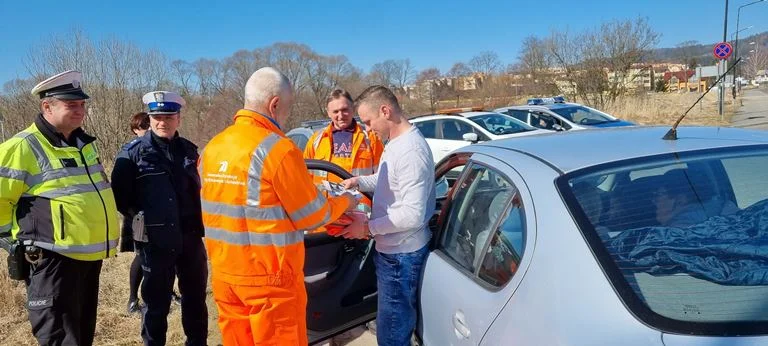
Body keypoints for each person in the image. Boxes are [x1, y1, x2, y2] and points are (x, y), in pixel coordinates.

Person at [199, 67, 358, 345]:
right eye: (286, 108)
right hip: (270, 285)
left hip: (226, 277)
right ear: (274, 104)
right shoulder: (278, 149)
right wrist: (347, 200)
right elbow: (313, 216)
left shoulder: (213, 147)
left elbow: (243, 204)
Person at [0, 70, 119, 345]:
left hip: (88, 258)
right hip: (51, 259)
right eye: (71, 105)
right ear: (47, 107)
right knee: (60, 338)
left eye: (82, 105)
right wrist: (9, 238)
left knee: (80, 334)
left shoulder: (82, 144)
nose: (80, 111)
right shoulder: (22, 146)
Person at [340, 85, 436, 346]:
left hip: (401, 256)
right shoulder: (396, 144)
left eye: (369, 122)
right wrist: (359, 181)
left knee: (393, 333)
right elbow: (388, 180)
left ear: (386, 110)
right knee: (391, 325)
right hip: (393, 252)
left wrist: (368, 228)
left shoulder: (411, 151)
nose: (368, 129)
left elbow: (412, 215)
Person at [111, 91, 208, 345]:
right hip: (156, 242)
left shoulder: (189, 151)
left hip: (190, 240)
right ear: (150, 118)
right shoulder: (132, 154)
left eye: (168, 116)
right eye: (156, 116)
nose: (162, 121)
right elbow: (120, 197)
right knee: (156, 306)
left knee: (196, 301)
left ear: (178, 118)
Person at [122, 112, 182, 314]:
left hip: (165, 218)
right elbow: (121, 191)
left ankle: (169, 291)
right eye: (141, 127)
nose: (146, 129)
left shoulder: (165, 149)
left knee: (169, 254)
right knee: (142, 257)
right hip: (138, 218)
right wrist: (135, 214)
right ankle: (133, 297)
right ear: (134, 130)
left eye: (148, 125)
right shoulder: (132, 152)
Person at [304, 88, 384, 215]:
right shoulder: (316, 140)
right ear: (328, 112)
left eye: (344, 110)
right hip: (326, 216)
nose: (340, 116)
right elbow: (305, 179)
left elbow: (383, 178)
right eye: (335, 111)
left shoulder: (370, 138)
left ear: (352, 108)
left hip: (359, 216)